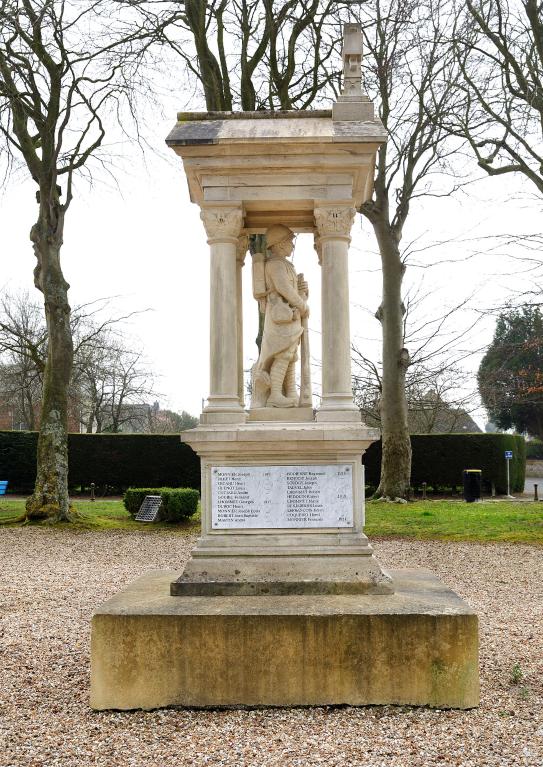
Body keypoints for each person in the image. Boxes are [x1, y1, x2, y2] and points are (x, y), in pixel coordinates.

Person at [251, 224, 309, 408]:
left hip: (291, 318)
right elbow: (283, 288)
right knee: (283, 354)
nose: (292, 245)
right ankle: (275, 394)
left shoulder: (285, 264)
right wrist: (302, 304)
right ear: (279, 244)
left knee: (291, 355)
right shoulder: (275, 265)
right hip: (280, 319)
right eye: (290, 241)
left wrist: (303, 293)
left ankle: (290, 391)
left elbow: (291, 290)